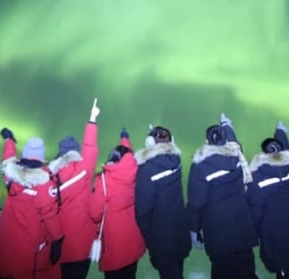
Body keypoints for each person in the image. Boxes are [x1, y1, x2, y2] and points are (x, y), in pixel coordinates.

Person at [186, 114, 258, 279]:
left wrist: (194, 229)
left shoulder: (200, 167)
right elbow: (235, 144)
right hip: (243, 229)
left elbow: (196, 203)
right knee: (248, 273)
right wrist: (227, 125)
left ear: (206, 142)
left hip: (219, 235)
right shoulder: (237, 158)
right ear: (226, 140)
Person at [0, 128, 64, 279]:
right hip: (29, 242)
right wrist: (58, 239)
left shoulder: (10, 174)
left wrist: (9, 141)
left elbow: (7, 158)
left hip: (7, 238)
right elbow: (50, 216)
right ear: (41, 155)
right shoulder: (45, 184)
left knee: (5, 269)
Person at [248, 121, 289, 279]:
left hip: (279, 245)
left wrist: (251, 235)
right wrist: (280, 133)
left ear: (263, 154)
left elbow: (254, 216)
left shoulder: (257, 180)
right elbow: (287, 151)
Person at [47, 99, 101, 279]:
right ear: (76, 153)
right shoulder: (83, 171)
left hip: (55, 241)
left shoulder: (49, 175)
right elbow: (90, 148)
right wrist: (92, 120)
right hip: (80, 242)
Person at [134, 125, 191, 279]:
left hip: (161, 238)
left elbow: (143, 211)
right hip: (179, 232)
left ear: (149, 142)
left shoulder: (147, 169)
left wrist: (147, 235)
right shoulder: (176, 161)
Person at [88, 128, 146, 279]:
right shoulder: (135, 173)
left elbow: (95, 213)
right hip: (133, 240)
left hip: (114, 243)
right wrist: (125, 139)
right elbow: (129, 157)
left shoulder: (105, 181)